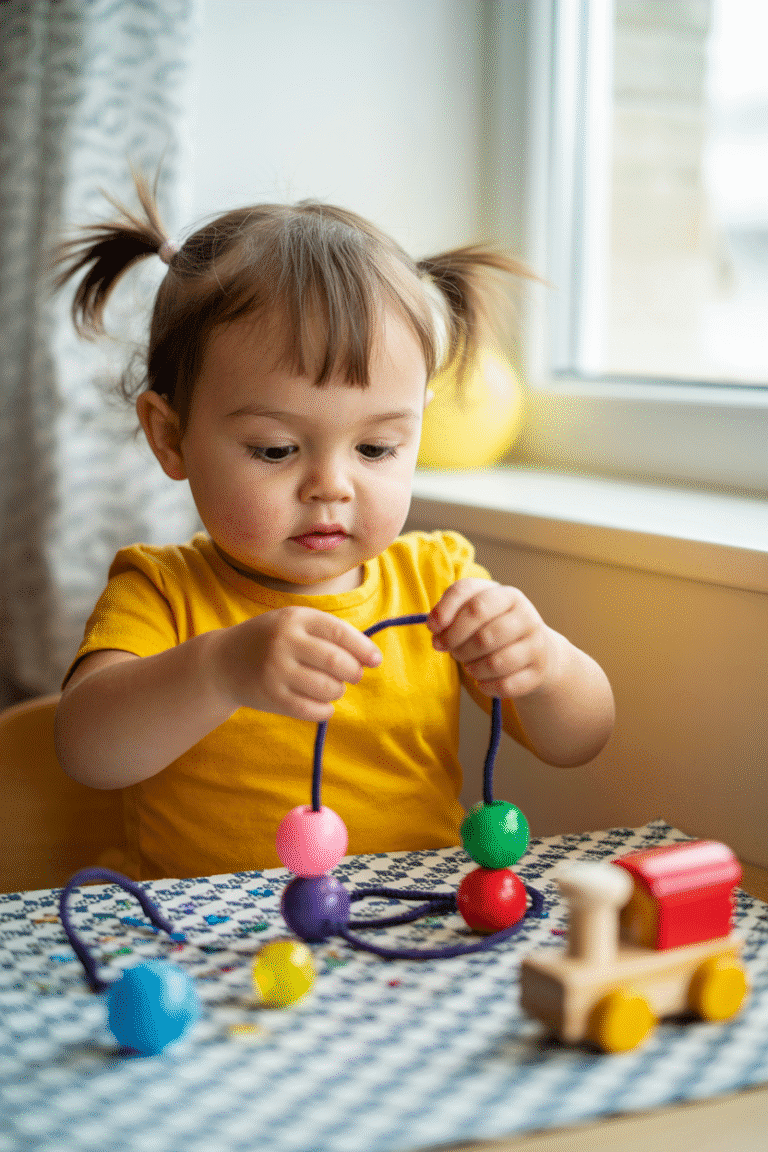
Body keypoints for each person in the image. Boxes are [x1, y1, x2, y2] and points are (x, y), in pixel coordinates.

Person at [52, 173, 615, 881]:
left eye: (376, 448)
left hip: (410, 918)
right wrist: (220, 670)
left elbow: (582, 740)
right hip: (216, 933)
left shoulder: (437, 580)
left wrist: (544, 663)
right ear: (171, 438)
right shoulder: (161, 591)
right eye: (276, 450)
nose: (332, 485)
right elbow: (88, 752)